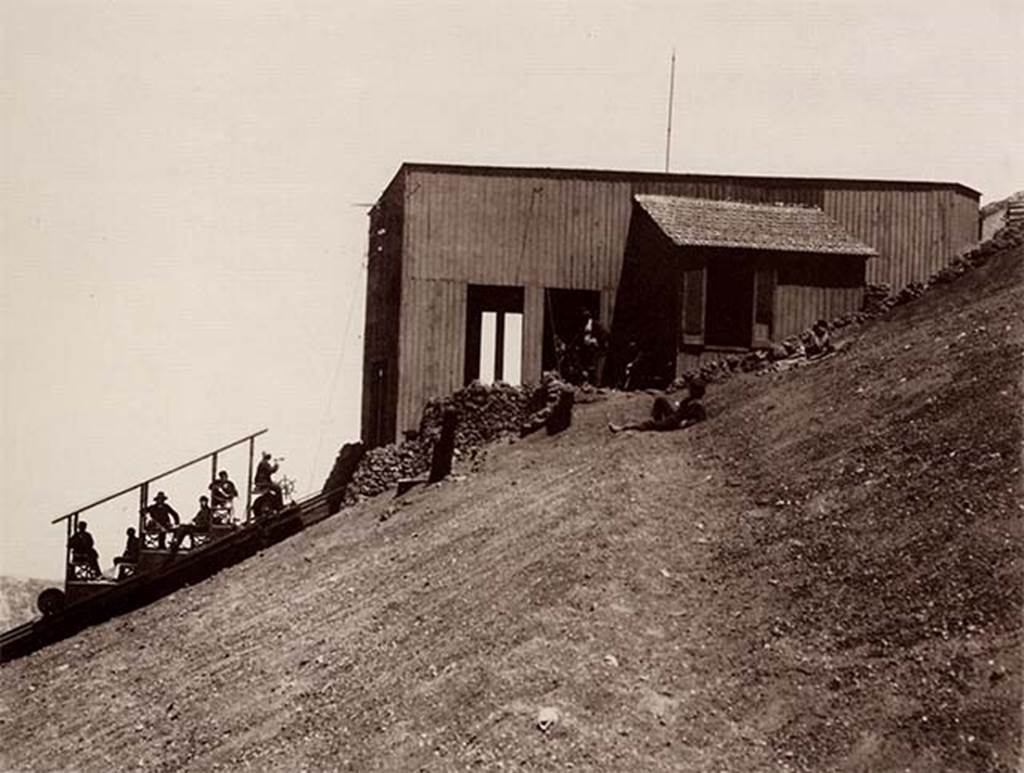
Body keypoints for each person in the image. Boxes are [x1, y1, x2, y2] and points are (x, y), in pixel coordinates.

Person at [609, 380, 707, 433]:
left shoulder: (698, 405)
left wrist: (686, 423)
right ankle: (657, 420)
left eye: (692, 389)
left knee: (650, 424)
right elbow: (681, 408)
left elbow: (701, 420)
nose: (689, 391)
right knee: (661, 400)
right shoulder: (688, 399)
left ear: (698, 391)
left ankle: (622, 428)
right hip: (674, 416)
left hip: (674, 423)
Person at [577, 308, 608, 386]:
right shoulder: (582, 325)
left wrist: (596, 340)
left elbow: (605, 334)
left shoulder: (596, 324)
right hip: (585, 348)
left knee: (593, 366)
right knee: (585, 366)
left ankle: (595, 383)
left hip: (595, 348)